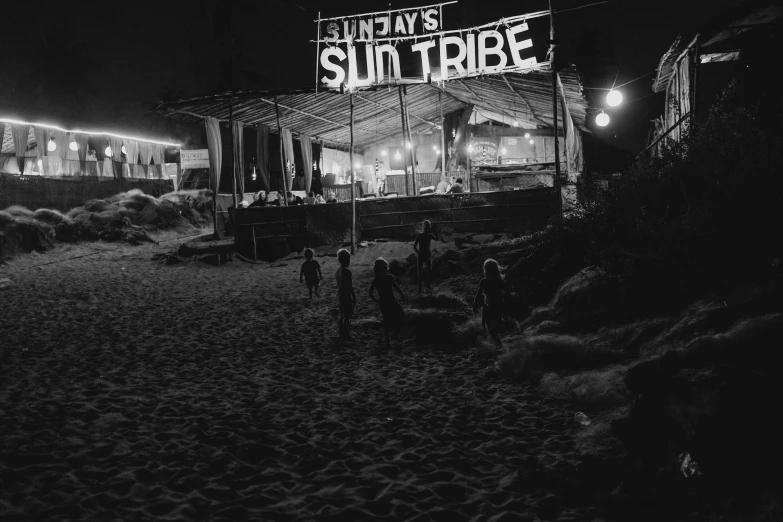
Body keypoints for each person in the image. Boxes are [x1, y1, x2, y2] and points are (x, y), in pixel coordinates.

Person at [369, 257, 406, 349]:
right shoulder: (389, 277)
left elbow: (370, 293)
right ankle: (395, 334)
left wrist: (376, 300)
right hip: (391, 301)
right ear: (385, 268)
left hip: (382, 302)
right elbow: (396, 287)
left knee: (387, 320)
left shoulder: (376, 280)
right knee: (401, 315)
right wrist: (402, 295)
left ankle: (387, 340)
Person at [473, 258, 511, 346]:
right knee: (494, 327)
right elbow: (508, 294)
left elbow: (478, 295)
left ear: (485, 269)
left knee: (491, 329)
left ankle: (497, 346)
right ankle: (499, 346)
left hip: (488, 307)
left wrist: (475, 305)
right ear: (496, 269)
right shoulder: (500, 281)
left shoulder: (484, 281)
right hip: (498, 306)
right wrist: (507, 305)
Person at [335, 248, 356, 340]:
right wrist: (354, 296)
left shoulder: (337, 272)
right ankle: (346, 334)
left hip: (340, 296)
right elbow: (350, 286)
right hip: (346, 296)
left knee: (342, 315)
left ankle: (341, 332)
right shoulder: (347, 272)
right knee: (347, 316)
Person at [413, 220, 439, 294]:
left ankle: (420, 288)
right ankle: (426, 285)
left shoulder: (420, 235)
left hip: (422, 254)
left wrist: (418, 253)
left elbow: (415, 246)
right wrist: (436, 231)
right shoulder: (429, 235)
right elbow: (437, 239)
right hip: (427, 254)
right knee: (428, 270)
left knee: (420, 271)